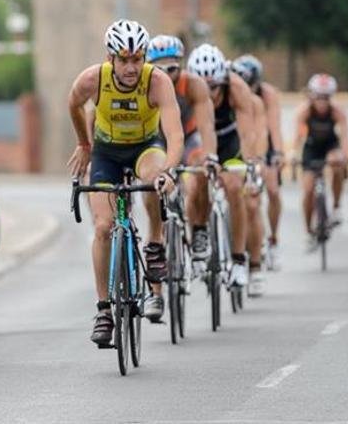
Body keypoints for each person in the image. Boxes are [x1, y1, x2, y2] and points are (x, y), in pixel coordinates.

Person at [67, 19, 183, 346]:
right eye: (124, 60)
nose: (132, 67)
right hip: (106, 153)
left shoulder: (157, 81)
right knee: (103, 227)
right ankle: (104, 309)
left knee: (154, 178)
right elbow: (72, 103)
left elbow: (175, 136)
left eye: (137, 59)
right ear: (111, 59)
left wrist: (169, 170)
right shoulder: (92, 79)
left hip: (145, 148)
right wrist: (83, 144)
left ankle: (155, 243)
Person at [143, 34, 217, 321]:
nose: (167, 75)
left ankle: (198, 230)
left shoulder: (194, 86)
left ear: (182, 66)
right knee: (154, 207)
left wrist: (210, 156)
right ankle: (156, 293)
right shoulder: (146, 87)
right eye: (159, 68)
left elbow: (207, 125)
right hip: (155, 143)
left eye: (172, 68)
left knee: (198, 174)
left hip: (187, 138)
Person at [186, 44, 257, 288]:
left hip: (229, 140)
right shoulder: (186, 89)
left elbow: (247, 133)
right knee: (196, 181)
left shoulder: (237, 87)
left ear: (223, 80)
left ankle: (238, 259)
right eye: (204, 88)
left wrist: (250, 166)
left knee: (234, 186)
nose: (210, 93)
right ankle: (198, 232)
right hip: (199, 140)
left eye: (214, 87)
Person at [233, 55, 284, 276]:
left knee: (271, 190)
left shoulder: (266, 96)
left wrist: (272, 156)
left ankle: (272, 240)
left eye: (251, 85)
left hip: (263, 144)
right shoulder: (232, 94)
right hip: (239, 142)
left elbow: (271, 127)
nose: (248, 90)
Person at [292, 73, 348, 249]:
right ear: (311, 96)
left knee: (337, 163)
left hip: (330, 146)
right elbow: (298, 137)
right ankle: (309, 230)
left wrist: (345, 155)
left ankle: (336, 206)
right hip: (311, 148)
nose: (322, 102)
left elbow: (345, 137)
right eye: (318, 97)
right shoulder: (304, 112)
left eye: (326, 98)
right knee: (308, 189)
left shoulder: (337, 112)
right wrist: (294, 155)